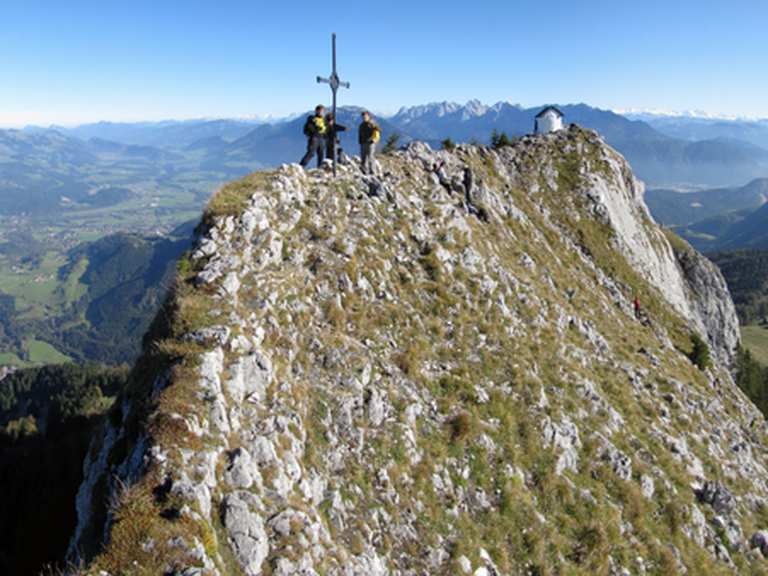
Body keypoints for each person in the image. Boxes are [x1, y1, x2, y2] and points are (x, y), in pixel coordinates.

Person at [358, 110, 381, 175]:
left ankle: (373, 172)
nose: (364, 117)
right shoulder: (361, 125)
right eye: (363, 116)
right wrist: (360, 141)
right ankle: (364, 172)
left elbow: (378, 131)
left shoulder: (372, 124)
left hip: (370, 143)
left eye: (365, 116)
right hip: (363, 143)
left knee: (370, 157)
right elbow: (360, 134)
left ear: (368, 116)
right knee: (363, 158)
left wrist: (375, 139)